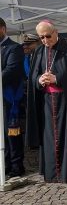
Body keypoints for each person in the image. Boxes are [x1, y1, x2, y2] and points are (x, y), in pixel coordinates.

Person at [26, 20, 67, 183]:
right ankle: (52, 173)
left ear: (56, 32)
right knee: (48, 137)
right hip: (46, 101)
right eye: (42, 37)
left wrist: (58, 78)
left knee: (66, 137)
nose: (46, 40)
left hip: (66, 102)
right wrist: (39, 80)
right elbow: (32, 76)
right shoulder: (39, 51)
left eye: (48, 36)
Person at [0, 17, 25, 177]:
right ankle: (4, 164)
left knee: (11, 134)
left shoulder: (14, 48)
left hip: (10, 99)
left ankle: (16, 166)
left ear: (3, 29)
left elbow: (11, 70)